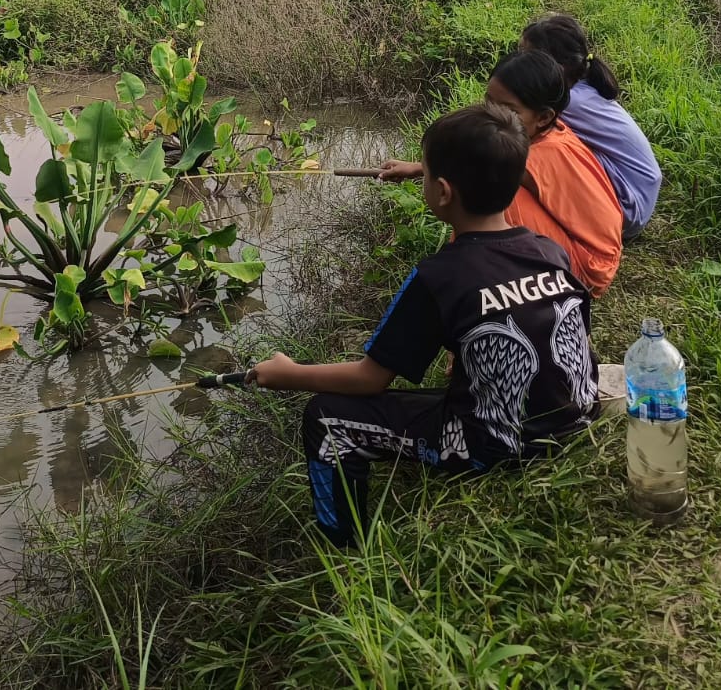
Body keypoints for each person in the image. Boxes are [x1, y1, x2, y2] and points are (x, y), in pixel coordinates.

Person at [250, 102, 600, 547]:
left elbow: (369, 380)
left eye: (427, 172)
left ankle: (342, 547)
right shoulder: (549, 251)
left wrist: (288, 375)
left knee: (327, 418)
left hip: (499, 445)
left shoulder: (440, 276)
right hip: (572, 419)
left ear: (442, 192)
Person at [380, 52, 625, 295]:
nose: (491, 114)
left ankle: (469, 269)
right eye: (488, 101)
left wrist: (426, 167)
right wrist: (417, 167)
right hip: (584, 249)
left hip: (589, 268)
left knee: (486, 202)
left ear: (543, 117)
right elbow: (475, 159)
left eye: (508, 109)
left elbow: (474, 165)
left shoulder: (539, 156)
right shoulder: (548, 134)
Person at [520, 14, 661, 239]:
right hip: (638, 200)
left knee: (537, 145)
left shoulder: (569, 102)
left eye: (526, 56)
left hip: (626, 209)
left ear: (556, 65)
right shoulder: (583, 89)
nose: (518, 63)